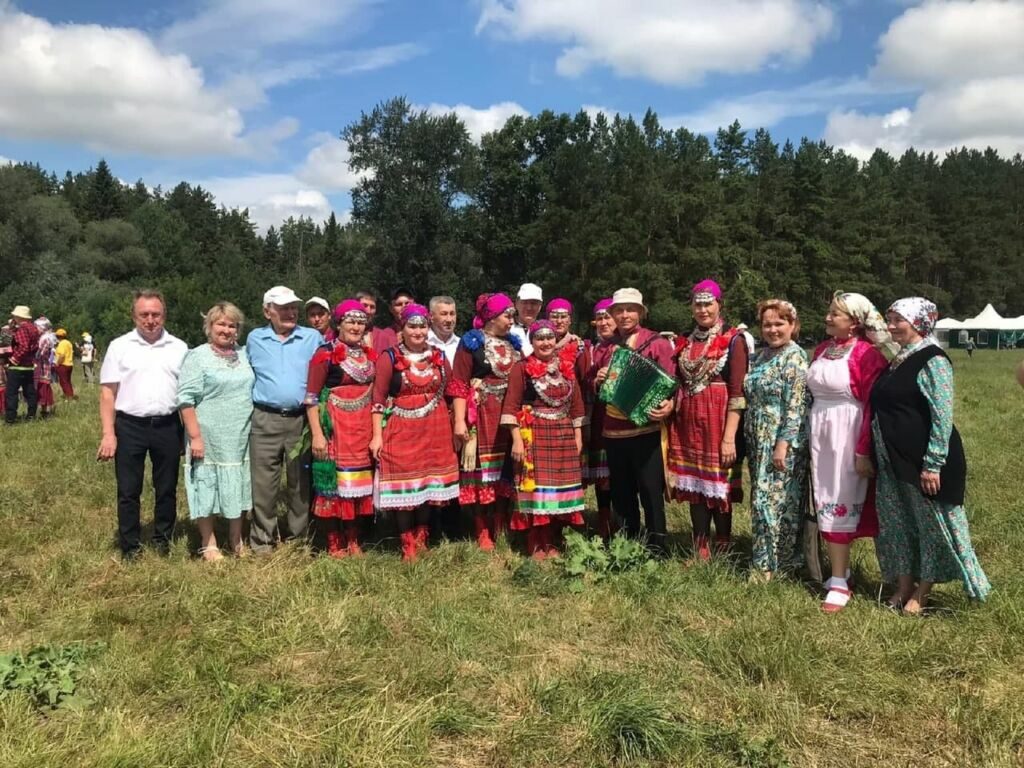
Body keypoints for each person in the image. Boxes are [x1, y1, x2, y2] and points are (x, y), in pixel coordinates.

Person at [871, 298, 991, 613]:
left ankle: (923, 592)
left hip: (924, 462)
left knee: (933, 527)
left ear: (919, 323)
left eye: (899, 320)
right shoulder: (898, 358)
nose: (891, 325)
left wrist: (933, 464)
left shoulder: (933, 359)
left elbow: (942, 415)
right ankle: (904, 584)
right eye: (890, 319)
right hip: (893, 460)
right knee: (901, 525)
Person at [807, 291, 891, 613]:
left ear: (855, 323)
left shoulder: (866, 355)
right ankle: (842, 572)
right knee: (825, 498)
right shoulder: (821, 350)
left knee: (841, 500)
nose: (828, 318)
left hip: (847, 431)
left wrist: (862, 450)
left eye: (835, 314)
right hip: (821, 433)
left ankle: (840, 580)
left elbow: (871, 405)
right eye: (829, 313)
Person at [96, 290, 188, 559]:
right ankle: (130, 546)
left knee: (167, 487)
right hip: (129, 426)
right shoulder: (119, 346)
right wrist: (108, 433)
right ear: (134, 316)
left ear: (164, 315)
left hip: (168, 425)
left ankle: (163, 540)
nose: (150, 320)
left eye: (155, 314)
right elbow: (107, 393)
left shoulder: (180, 348)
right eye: (144, 314)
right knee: (128, 490)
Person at [371, 303, 460, 561]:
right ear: (403, 327)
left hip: (436, 428)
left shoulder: (439, 357)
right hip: (402, 429)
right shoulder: (388, 357)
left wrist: (458, 424)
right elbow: (378, 397)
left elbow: (452, 391)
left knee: (427, 484)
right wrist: (377, 435)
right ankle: (406, 541)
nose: (418, 331)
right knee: (405, 485)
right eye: (412, 326)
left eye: (422, 325)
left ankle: (422, 536)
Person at [667, 279, 749, 559]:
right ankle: (700, 544)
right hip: (689, 422)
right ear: (691, 308)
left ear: (719, 305)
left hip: (719, 422)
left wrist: (729, 438)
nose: (703, 310)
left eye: (708, 303)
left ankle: (724, 543)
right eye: (698, 304)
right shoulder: (683, 340)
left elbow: (737, 393)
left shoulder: (734, 340)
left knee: (719, 485)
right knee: (695, 485)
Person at [596, 288, 675, 553]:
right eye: (619, 310)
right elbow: (595, 387)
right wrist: (597, 380)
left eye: (631, 309)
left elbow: (672, 384)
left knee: (651, 491)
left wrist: (669, 405)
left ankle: (657, 546)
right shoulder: (605, 347)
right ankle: (628, 544)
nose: (625, 315)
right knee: (621, 492)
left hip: (645, 428)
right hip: (614, 431)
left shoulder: (657, 343)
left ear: (641, 312)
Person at [246, 285, 323, 553]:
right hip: (264, 419)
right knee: (263, 485)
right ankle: (262, 542)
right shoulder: (255, 339)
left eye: (293, 308)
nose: (291, 312)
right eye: (283, 308)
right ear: (268, 311)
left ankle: (298, 540)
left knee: (299, 484)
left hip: (300, 422)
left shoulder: (312, 337)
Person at [176, 302, 254, 561]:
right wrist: (195, 436)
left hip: (240, 434)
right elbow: (185, 399)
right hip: (207, 435)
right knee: (206, 486)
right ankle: (208, 543)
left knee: (239, 485)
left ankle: (236, 539)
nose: (227, 329)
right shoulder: (197, 356)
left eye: (232, 325)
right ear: (209, 327)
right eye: (221, 323)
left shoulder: (244, 354)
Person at [502, 320, 586, 558]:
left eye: (549, 337)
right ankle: (537, 541)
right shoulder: (522, 368)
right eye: (540, 338)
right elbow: (511, 405)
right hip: (534, 433)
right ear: (532, 341)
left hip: (563, 434)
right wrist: (516, 439)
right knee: (537, 490)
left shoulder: (566, 367)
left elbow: (577, 405)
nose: (546, 342)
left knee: (559, 489)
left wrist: (578, 435)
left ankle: (555, 540)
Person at [449, 293, 523, 550]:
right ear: (491, 317)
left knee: (506, 472)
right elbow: (458, 384)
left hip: (509, 415)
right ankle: (482, 530)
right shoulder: (471, 343)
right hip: (481, 415)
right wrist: (460, 421)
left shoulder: (514, 344)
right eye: (507, 314)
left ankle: (502, 525)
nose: (511, 319)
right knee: (482, 472)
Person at [743, 300, 810, 580]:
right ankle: (765, 560)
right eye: (767, 324)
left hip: (780, 441)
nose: (772, 329)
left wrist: (782, 445)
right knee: (760, 500)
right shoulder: (760, 356)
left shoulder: (795, 358)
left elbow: (795, 406)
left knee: (776, 503)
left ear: (792, 326)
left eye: (779, 323)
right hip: (757, 439)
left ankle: (776, 565)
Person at [305, 300, 377, 558]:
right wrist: (317, 434)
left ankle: (354, 539)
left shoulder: (369, 355)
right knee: (336, 487)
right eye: (351, 321)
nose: (356, 327)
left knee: (357, 486)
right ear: (338, 323)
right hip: (337, 428)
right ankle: (335, 542)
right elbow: (311, 397)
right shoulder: (324, 353)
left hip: (362, 427)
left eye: (360, 322)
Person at [584, 298, 617, 538]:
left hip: (620, 415)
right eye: (600, 318)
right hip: (598, 416)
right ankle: (604, 518)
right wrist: (595, 381)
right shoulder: (591, 348)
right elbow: (585, 380)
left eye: (608, 317)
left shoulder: (625, 345)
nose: (604, 322)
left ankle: (622, 517)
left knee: (619, 472)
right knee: (603, 473)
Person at [4, 306, 40, 424]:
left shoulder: (22, 329)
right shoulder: (33, 328)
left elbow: (23, 346)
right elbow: (34, 346)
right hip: (29, 365)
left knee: (11, 393)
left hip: (17, 366)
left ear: (19, 316)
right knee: (30, 392)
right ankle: (31, 415)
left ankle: (10, 419)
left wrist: (14, 358)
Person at [547, 298, 589, 382]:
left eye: (563, 317)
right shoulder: (542, 345)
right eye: (554, 317)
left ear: (569, 320)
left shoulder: (578, 346)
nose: (559, 321)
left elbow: (585, 379)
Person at [509, 283, 543, 357]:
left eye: (533, 303)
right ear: (516, 304)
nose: (529, 307)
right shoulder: (506, 328)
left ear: (540, 306)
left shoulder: (545, 329)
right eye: (525, 303)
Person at [34, 317, 57, 419]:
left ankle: (44, 413)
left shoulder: (45, 339)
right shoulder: (46, 338)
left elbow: (41, 354)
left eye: (37, 327)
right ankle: (44, 412)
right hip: (44, 367)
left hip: (43, 367)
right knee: (43, 389)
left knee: (43, 390)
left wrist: (34, 355)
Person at [427, 295, 460, 362]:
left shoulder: (461, 345)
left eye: (452, 314)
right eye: (444, 314)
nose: (449, 320)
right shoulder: (423, 343)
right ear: (431, 316)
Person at [54, 328, 76, 400]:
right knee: (68, 381)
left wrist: (57, 363)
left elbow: (62, 355)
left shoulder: (61, 343)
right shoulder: (68, 342)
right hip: (70, 364)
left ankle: (69, 396)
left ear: (58, 336)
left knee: (63, 382)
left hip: (63, 364)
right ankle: (70, 394)